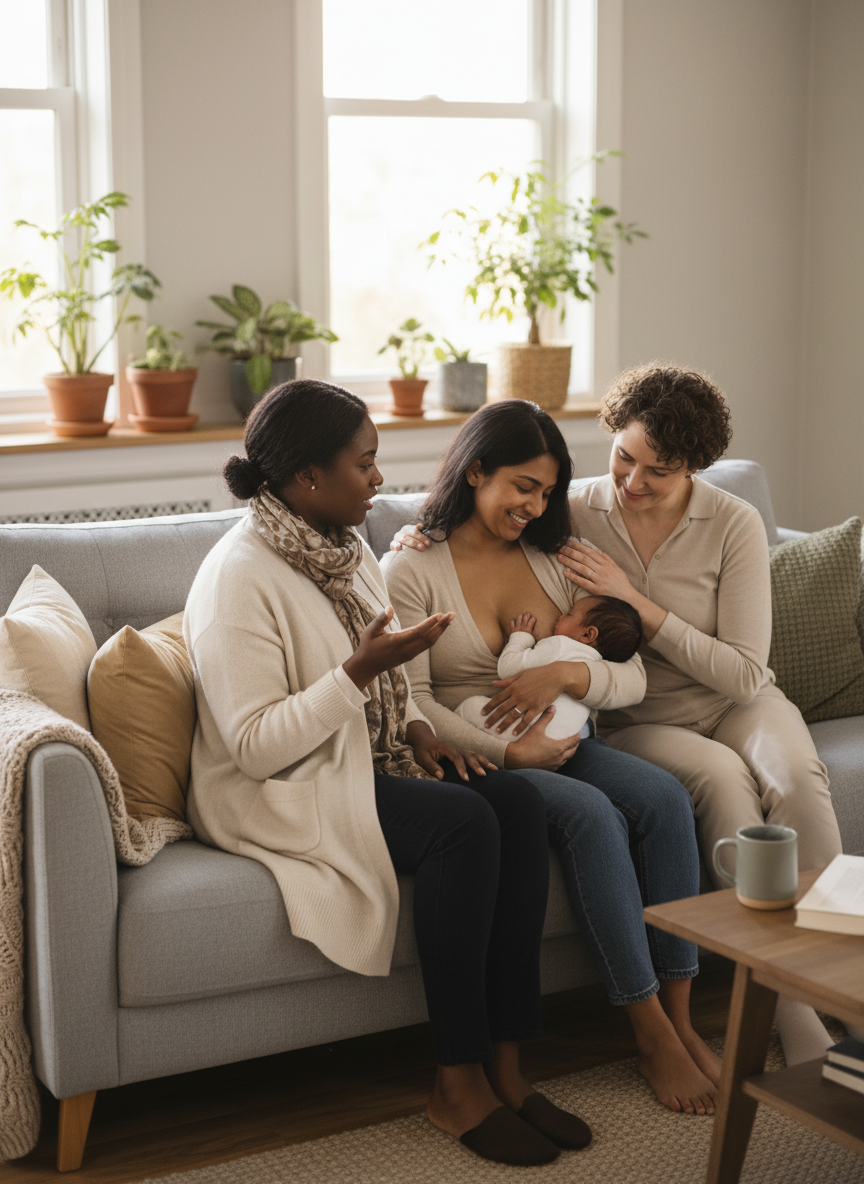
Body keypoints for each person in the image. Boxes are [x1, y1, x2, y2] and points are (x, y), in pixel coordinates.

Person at [183, 379, 593, 1168]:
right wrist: (356, 672)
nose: (379, 478)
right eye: (364, 463)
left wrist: (416, 728)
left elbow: (396, 674)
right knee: (462, 825)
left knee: (514, 801)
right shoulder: (238, 577)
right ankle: (456, 1083)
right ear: (309, 475)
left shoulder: (345, 548)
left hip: (364, 756)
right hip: (279, 787)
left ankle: (507, 1066)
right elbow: (256, 747)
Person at [382, 399, 720, 1116]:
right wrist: (510, 749)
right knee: (592, 815)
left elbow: (631, 674)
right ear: (476, 471)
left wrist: (567, 675)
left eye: (547, 491)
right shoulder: (411, 568)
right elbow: (410, 701)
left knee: (664, 797)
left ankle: (681, 1018)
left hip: (570, 739)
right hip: (482, 756)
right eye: (523, 487)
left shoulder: (553, 558)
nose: (535, 507)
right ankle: (648, 1029)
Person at [498, 364, 843, 1065]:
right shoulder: (573, 512)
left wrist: (637, 603)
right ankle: (790, 1007)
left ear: (694, 466)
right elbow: (483, 525)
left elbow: (743, 673)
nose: (634, 482)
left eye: (660, 470)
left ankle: (845, 977)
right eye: (625, 456)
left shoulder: (732, 522)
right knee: (724, 782)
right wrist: (416, 539)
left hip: (738, 702)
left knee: (800, 778)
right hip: (643, 718)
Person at [456, 596, 642, 743]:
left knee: (469, 707)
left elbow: (507, 668)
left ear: (588, 634)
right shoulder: (596, 664)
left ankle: (449, 746)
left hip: (522, 732)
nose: (560, 616)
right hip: (564, 742)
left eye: (569, 614)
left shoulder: (561, 646)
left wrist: (521, 637)